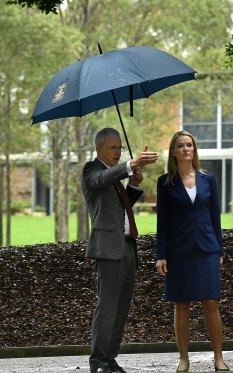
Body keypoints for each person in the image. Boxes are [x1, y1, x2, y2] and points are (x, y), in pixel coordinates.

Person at [82, 127, 158, 373]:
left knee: (122, 308)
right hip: (107, 250)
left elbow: (120, 207)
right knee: (108, 306)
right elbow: (100, 180)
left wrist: (133, 186)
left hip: (127, 246)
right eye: (113, 148)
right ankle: (98, 361)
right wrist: (130, 165)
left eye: (120, 148)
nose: (117, 152)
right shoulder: (92, 170)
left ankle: (110, 357)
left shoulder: (114, 177)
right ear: (99, 149)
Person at [155, 130, 229, 372]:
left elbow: (215, 216)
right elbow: (162, 223)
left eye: (190, 145)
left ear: (194, 150)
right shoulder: (165, 183)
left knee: (211, 302)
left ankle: (219, 357)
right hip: (178, 251)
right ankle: (184, 359)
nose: (186, 149)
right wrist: (161, 255)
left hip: (207, 249)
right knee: (182, 304)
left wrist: (219, 250)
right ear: (174, 152)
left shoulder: (208, 179)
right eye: (181, 146)